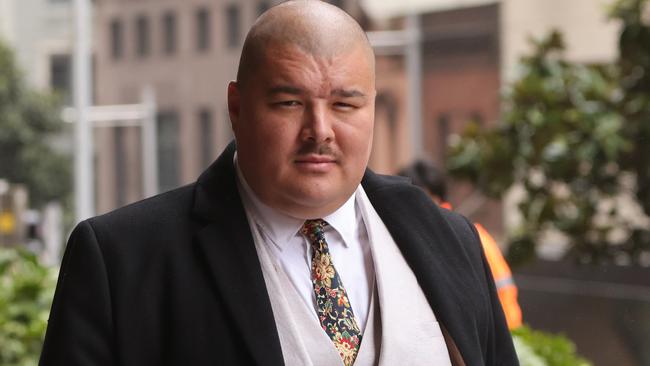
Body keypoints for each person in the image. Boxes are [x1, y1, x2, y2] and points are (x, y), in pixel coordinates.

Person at [40, 1, 518, 365]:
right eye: (289, 103)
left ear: (373, 108)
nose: (320, 130)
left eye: (345, 105)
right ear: (236, 108)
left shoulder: (451, 239)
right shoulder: (122, 261)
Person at [398, 160, 523, 330]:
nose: (420, 209)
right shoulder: (393, 237)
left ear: (440, 199)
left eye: (425, 200)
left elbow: (503, 296)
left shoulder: (472, 238)